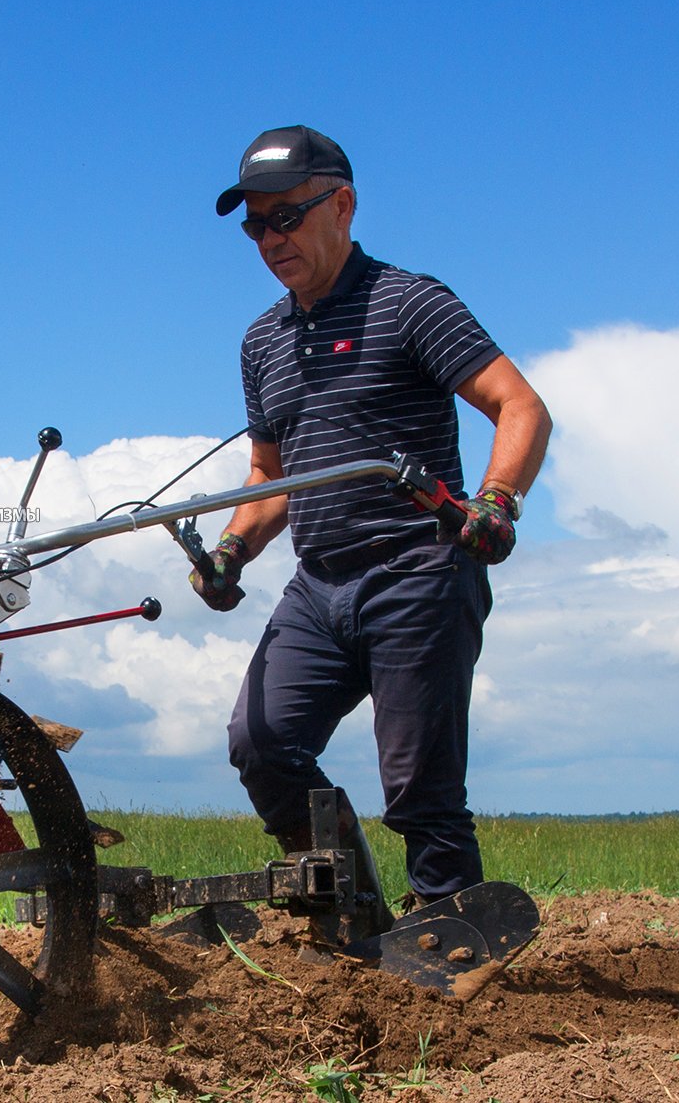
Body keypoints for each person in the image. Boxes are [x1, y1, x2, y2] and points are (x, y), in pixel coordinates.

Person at [191, 125, 551, 906]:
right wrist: (230, 549)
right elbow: (270, 477)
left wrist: (497, 502)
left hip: (418, 571)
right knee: (261, 742)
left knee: (419, 787)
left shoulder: (410, 302)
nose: (269, 238)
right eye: (256, 225)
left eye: (285, 215)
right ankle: (349, 909)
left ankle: (451, 936)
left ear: (342, 204)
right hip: (318, 587)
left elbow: (520, 406)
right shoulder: (262, 342)